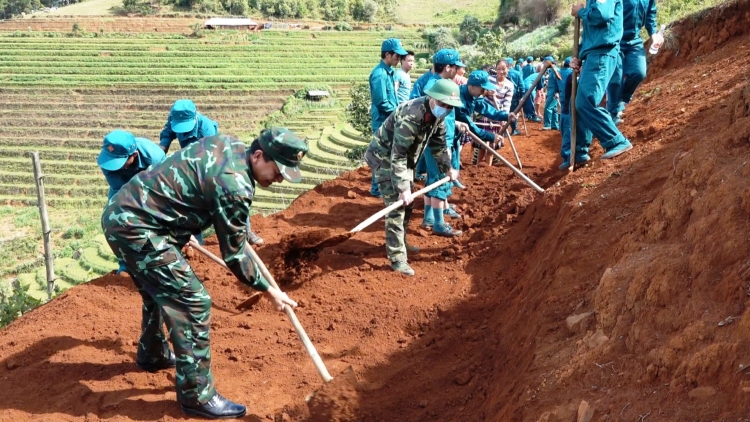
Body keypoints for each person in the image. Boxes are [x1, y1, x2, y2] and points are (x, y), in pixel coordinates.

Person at [102, 128, 305, 419]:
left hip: (121, 215)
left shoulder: (231, 144)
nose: (281, 178)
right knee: (193, 302)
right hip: (138, 230)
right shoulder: (235, 186)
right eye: (278, 170)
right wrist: (269, 289)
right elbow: (235, 255)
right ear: (259, 155)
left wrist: (183, 224)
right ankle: (197, 396)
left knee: (156, 291)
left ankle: (153, 354)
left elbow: (192, 183)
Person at [364, 79, 462, 276]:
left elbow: (439, 145)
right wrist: (402, 188)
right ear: (432, 98)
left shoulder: (438, 116)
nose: (446, 109)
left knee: (408, 205)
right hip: (384, 158)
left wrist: (448, 168)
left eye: (450, 107)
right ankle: (397, 257)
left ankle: (402, 242)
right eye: (443, 104)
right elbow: (397, 154)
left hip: (405, 160)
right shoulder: (412, 116)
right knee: (397, 207)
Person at [571, 0, 633, 162]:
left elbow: (601, 15)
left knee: (586, 101)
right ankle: (581, 152)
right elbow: (594, 31)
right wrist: (580, 55)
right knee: (579, 102)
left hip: (602, 53)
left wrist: (581, 13)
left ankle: (616, 140)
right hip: (594, 54)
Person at [97, 129, 166, 275]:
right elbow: (121, 193)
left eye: (119, 162)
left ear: (133, 155)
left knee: (160, 221)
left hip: (154, 188)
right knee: (114, 221)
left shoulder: (155, 157)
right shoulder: (107, 162)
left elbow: (161, 191)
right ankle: (126, 266)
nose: (113, 165)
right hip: (123, 187)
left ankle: (163, 260)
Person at [410, 49, 466, 183]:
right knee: (439, 179)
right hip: (439, 139)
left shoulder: (441, 83)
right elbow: (435, 116)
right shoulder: (435, 86)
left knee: (435, 177)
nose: (457, 71)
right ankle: (437, 205)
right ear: (447, 67)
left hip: (443, 136)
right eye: (455, 67)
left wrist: (456, 123)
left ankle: (436, 204)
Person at [605, 0, 660, 125]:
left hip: (634, 40)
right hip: (615, 40)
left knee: (639, 72)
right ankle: (613, 112)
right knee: (616, 76)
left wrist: (653, 34)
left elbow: (650, 14)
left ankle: (621, 100)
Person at [368, 37, 408, 197]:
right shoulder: (379, 74)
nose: (399, 59)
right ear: (387, 54)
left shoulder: (389, 73)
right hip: (382, 121)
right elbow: (381, 101)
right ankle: (377, 189)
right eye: (397, 56)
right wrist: (399, 113)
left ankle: (382, 187)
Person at [461, 70, 516, 166]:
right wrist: (491, 136)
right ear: (472, 86)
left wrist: (506, 115)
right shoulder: (460, 100)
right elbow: (470, 127)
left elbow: (488, 109)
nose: (483, 92)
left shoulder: (473, 96)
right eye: (482, 89)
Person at [475, 60, 514, 166]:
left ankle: (488, 166)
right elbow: (479, 93)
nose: (501, 71)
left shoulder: (509, 85)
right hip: (485, 113)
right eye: (499, 69)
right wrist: (487, 92)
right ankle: (477, 166)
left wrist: (504, 118)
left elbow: (507, 103)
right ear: (495, 70)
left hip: (497, 115)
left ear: (508, 69)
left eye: (504, 69)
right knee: (483, 143)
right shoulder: (489, 80)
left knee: (492, 144)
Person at [559, 64, 593, 169]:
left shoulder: (587, 76)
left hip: (579, 110)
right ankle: (568, 158)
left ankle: (578, 155)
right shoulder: (572, 76)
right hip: (569, 111)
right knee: (568, 135)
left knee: (579, 131)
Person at [507, 58, 526, 136]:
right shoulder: (517, 73)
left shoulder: (502, 73)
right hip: (513, 95)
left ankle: (504, 130)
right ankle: (514, 130)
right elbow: (522, 87)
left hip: (503, 95)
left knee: (504, 111)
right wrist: (521, 96)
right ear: (512, 64)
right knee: (513, 113)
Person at [542, 56, 561, 131]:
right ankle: (555, 125)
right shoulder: (552, 70)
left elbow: (558, 81)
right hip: (551, 91)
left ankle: (547, 125)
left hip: (553, 92)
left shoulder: (556, 70)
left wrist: (557, 92)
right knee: (554, 109)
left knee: (548, 108)